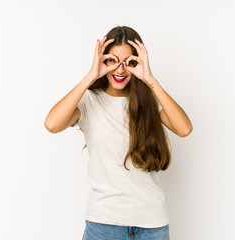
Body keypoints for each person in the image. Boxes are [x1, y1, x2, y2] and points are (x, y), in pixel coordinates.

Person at [44, 25, 193, 240]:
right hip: (104, 224)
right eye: (112, 61)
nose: (121, 70)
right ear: (101, 61)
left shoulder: (149, 102)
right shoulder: (89, 101)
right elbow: (52, 124)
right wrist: (90, 76)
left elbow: (184, 129)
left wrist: (150, 79)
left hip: (151, 226)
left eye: (130, 63)